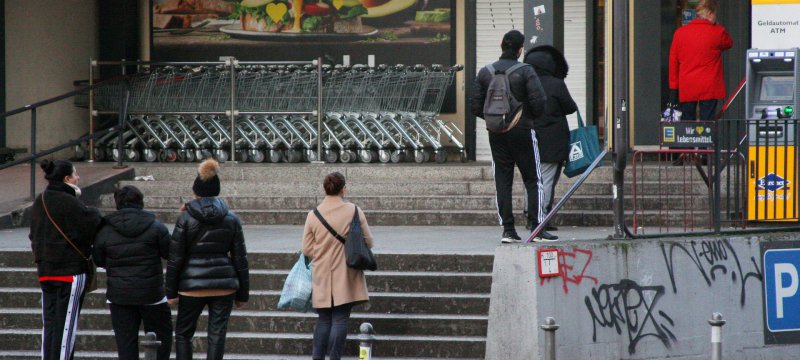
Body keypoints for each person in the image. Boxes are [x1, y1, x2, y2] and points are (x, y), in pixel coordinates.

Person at [470, 29, 554, 243]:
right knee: (533, 179)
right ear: (519, 50)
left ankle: (508, 230)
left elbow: (475, 106)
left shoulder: (485, 72)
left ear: (501, 46)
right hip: (523, 130)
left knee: (503, 180)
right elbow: (539, 102)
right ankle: (537, 229)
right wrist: (528, 119)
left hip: (496, 133)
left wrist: (497, 120)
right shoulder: (526, 70)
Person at [166, 159, 249, 360]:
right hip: (224, 285)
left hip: (191, 285)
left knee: (184, 334)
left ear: (195, 192)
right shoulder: (231, 218)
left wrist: (171, 291)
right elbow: (240, 258)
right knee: (217, 335)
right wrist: (243, 294)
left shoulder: (185, 218)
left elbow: (175, 257)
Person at [29, 159, 102, 360]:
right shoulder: (69, 201)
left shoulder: (40, 200)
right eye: (75, 175)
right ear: (67, 178)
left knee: (50, 324)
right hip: (70, 271)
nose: (78, 178)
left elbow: (33, 234)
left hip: (45, 270)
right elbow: (91, 223)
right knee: (66, 326)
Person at [93, 185, 172, 360]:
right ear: (141, 203)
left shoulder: (105, 230)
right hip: (152, 293)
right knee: (161, 337)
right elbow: (169, 253)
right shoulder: (156, 227)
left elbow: (98, 259)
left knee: (125, 342)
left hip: (119, 294)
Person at [302, 172, 374, 360]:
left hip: (322, 274)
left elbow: (306, 248)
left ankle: (317, 357)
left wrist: (322, 253)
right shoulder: (354, 211)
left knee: (324, 319)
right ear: (343, 189)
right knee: (340, 319)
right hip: (347, 272)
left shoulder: (313, 215)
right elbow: (369, 242)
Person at [524, 45, 578, 237]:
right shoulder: (556, 84)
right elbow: (570, 107)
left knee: (531, 180)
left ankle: (531, 214)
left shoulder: (523, 82)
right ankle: (540, 219)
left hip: (526, 138)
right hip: (551, 140)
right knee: (546, 180)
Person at [669, 0, 732, 121]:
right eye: (715, 15)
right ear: (709, 13)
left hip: (687, 85)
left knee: (687, 121)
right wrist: (717, 25)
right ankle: (707, 139)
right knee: (707, 122)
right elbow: (728, 43)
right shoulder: (717, 32)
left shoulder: (680, 34)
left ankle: (688, 139)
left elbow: (673, 63)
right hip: (709, 85)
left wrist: (673, 88)